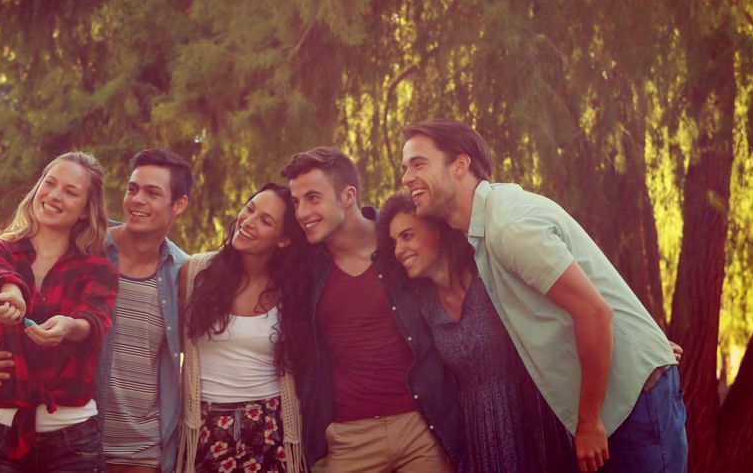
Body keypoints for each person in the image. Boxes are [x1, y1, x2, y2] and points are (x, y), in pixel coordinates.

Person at [400, 119, 686, 473]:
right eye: (405, 167)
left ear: (460, 165)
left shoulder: (510, 227)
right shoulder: (486, 228)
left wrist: (589, 422)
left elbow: (595, 312)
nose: (407, 178)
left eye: (418, 164)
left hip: (634, 404)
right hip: (620, 403)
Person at [0, 148, 193, 473]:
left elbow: (92, 321)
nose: (137, 200)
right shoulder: (92, 249)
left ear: (179, 204)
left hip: (134, 447)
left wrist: (70, 326)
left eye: (152, 192)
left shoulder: (183, 273)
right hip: (68, 430)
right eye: (132, 189)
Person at [280, 147, 461, 472]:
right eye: (296, 202)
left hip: (422, 427)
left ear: (348, 196)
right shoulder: (305, 269)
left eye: (313, 198)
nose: (302, 213)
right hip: (350, 435)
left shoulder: (402, 244)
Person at [378, 191, 578, 473]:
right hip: (478, 434)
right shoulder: (423, 306)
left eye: (407, 236)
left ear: (438, 231)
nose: (398, 250)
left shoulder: (489, 272)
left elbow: (558, 320)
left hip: (533, 419)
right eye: (394, 242)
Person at [0, 151, 119, 472]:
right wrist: (12, 295)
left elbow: (93, 322)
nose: (54, 195)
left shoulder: (99, 269)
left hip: (73, 440)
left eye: (70, 191)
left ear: (85, 209)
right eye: (49, 183)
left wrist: (69, 327)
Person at [176, 183, 312, 473]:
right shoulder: (196, 272)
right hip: (204, 426)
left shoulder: (293, 289)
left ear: (284, 239)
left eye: (265, 221)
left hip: (270, 426)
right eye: (250, 209)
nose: (248, 221)